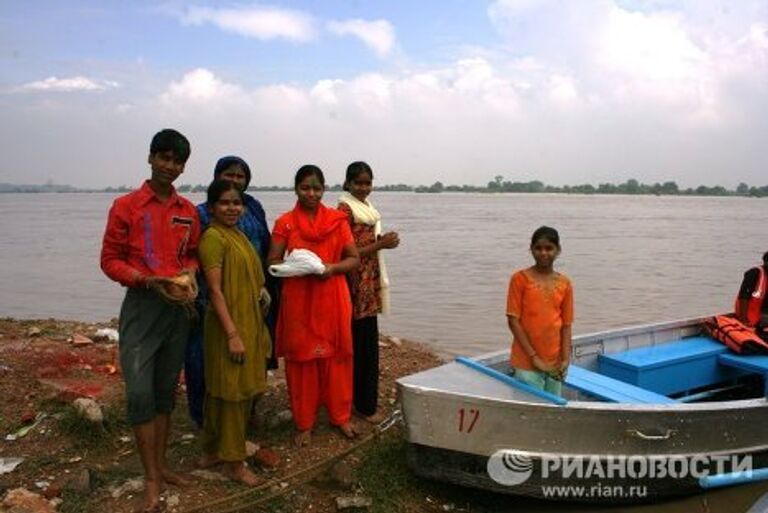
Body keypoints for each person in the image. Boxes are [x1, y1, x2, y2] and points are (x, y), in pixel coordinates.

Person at [100, 128, 199, 513]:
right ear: (150, 158)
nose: (169, 167)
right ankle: (151, 480)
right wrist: (146, 280)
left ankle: (161, 466)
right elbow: (109, 260)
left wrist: (188, 275)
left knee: (164, 391)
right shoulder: (126, 206)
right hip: (142, 306)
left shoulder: (188, 211)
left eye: (177, 161)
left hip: (177, 308)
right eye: (164, 158)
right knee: (139, 393)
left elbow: (190, 255)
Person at [267, 165, 360, 447]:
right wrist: (297, 266)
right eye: (305, 187)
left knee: (337, 358)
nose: (311, 193)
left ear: (324, 189)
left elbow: (353, 259)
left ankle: (340, 416)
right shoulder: (285, 222)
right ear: (296, 188)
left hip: (332, 294)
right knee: (301, 360)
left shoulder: (337, 220)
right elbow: (272, 261)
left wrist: (331, 268)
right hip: (299, 297)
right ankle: (304, 422)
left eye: (317, 188)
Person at [184, 156, 277, 430]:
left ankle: (247, 413)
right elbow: (193, 256)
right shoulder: (202, 215)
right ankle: (206, 421)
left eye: (240, 176)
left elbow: (266, 245)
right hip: (213, 300)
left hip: (253, 295)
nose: (234, 180)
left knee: (254, 355)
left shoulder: (253, 208)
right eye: (228, 174)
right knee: (207, 361)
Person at [197, 179, 272, 486]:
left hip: (249, 319)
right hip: (228, 324)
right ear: (212, 206)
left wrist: (262, 289)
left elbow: (249, 274)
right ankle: (233, 462)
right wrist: (232, 334)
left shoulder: (237, 233)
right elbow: (214, 291)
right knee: (232, 393)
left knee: (223, 390)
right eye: (225, 203)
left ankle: (212, 450)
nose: (232, 208)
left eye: (236, 203)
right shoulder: (214, 238)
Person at [337, 161, 399, 423]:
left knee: (366, 344)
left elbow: (368, 246)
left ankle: (362, 402)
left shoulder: (369, 210)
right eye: (358, 182)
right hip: (354, 285)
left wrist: (383, 243)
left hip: (368, 283)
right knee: (360, 346)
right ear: (348, 183)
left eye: (367, 182)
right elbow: (345, 252)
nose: (363, 187)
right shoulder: (344, 210)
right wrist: (381, 244)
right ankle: (361, 405)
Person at [506, 226, 573, 396]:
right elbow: (513, 321)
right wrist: (534, 357)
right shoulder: (520, 279)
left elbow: (566, 325)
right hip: (526, 361)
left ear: (558, 250)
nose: (543, 253)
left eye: (549, 248)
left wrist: (565, 359)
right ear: (531, 250)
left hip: (555, 363)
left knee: (552, 409)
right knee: (530, 409)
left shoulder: (565, 283)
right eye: (538, 248)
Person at [735, 251, 768, 333]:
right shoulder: (754, 273)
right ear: (766, 262)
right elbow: (743, 297)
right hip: (754, 316)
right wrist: (743, 320)